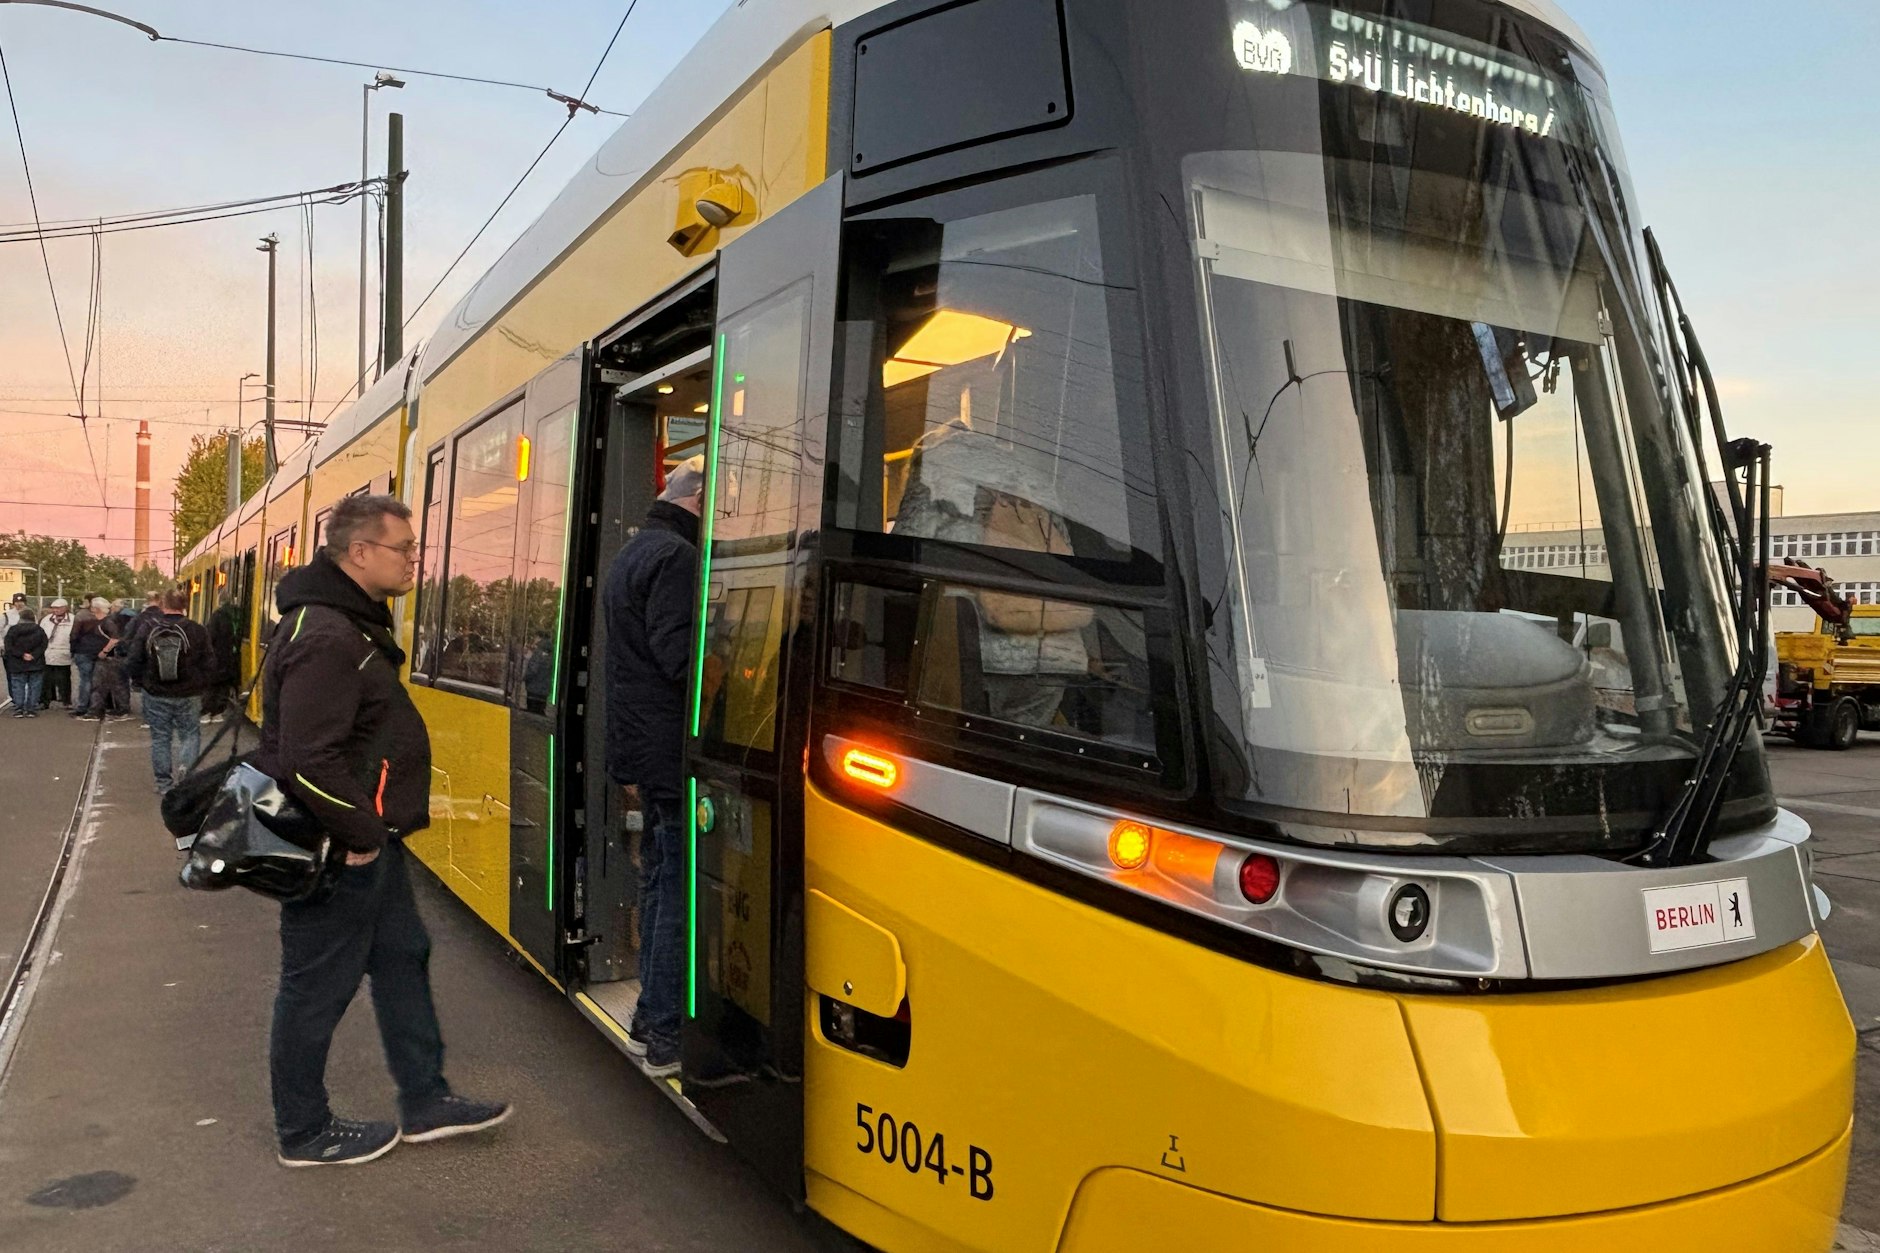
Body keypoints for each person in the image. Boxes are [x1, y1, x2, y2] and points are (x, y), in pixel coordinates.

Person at [255, 493, 509, 1168]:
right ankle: (304, 1131)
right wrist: (362, 833)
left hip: (366, 842)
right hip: (335, 846)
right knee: (314, 984)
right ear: (360, 551)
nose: (414, 561)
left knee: (402, 954)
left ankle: (425, 1098)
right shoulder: (327, 636)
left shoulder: (345, 624)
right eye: (405, 549)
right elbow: (307, 757)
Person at [601, 456, 705, 1079]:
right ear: (698, 501)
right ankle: (667, 1033)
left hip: (639, 744)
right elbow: (677, 653)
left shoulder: (634, 552)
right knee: (678, 886)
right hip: (669, 748)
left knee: (659, 874)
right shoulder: (679, 558)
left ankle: (646, 1019)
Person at [126, 587, 214, 793]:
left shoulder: (148, 628)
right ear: (185, 605)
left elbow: (133, 659)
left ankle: (164, 784)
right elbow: (210, 663)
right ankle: (187, 780)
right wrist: (200, 685)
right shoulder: (197, 630)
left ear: (163, 605)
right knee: (190, 735)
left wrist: (142, 683)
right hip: (189, 694)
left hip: (156, 693)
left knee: (160, 738)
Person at [84, 603, 133, 721]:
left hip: (109, 658)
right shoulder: (109, 621)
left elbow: (115, 639)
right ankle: (120, 709)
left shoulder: (107, 622)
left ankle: (97, 710)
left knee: (102, 685)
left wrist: (104, 651)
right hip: (113, 658)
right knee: (115, 684)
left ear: (97, 609)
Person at [4, 608, 48, 717]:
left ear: (20, 618)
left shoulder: (13, 630)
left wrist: (21, 654)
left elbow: (9, 647)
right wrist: (33, 655)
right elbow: (43, 645)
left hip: (17, 663)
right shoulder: (39, 630)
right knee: (35, 686)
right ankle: (31, 709)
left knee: (18, 685)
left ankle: (19, 708)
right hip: (36, 662)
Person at [70, 598, 109, 715]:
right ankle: (96, 706)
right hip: (99, 652)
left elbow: (74, 635)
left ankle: (82, 706)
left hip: (83, 650)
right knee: (97, 680)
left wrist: (73, 650)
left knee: (85, 680)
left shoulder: (81, 617)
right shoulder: (106, 620)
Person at [38, 598, 75, 710]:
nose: (56, 610)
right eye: (54, 608)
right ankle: (45, 701)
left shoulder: (72, 620)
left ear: (65, 608)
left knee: (64, 679)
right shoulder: (46, 620)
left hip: (64, 652)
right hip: (48, 652)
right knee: (46, 679)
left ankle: (66, 701)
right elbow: (41, 634)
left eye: (58, 608)